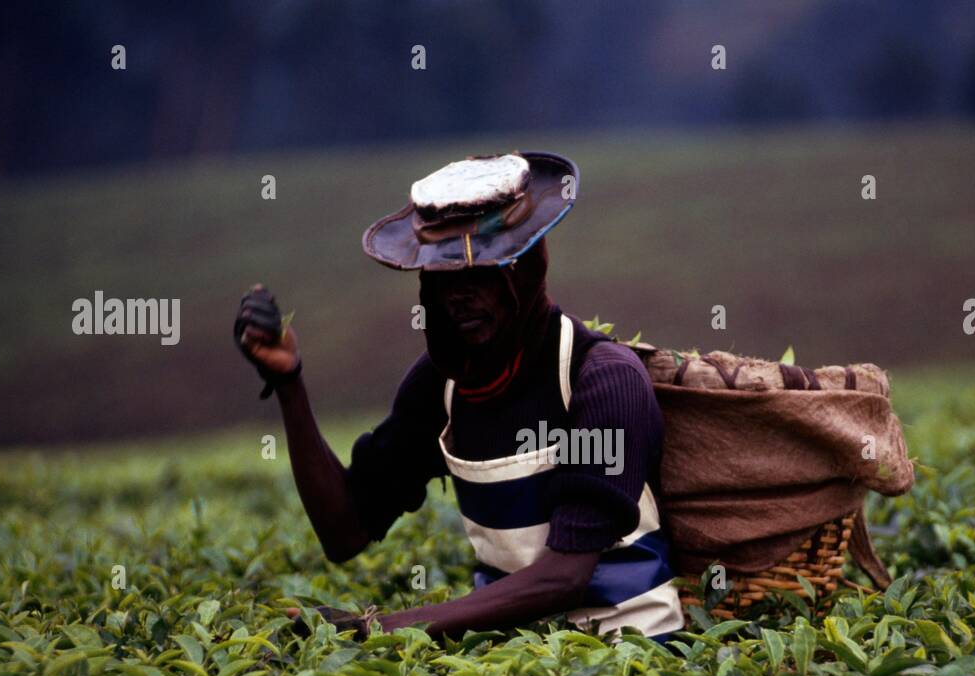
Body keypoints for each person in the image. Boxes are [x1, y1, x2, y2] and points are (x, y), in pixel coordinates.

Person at [233, 151, 684, 644]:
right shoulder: (441, 386)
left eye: (482, 274)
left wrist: (375, 630)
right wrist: (289, 384)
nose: (459, 297)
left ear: (526, 270)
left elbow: (564, 578)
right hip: (515, 654)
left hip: (627, 652)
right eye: (444, 277)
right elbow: (345, 531)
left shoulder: (601, 379)